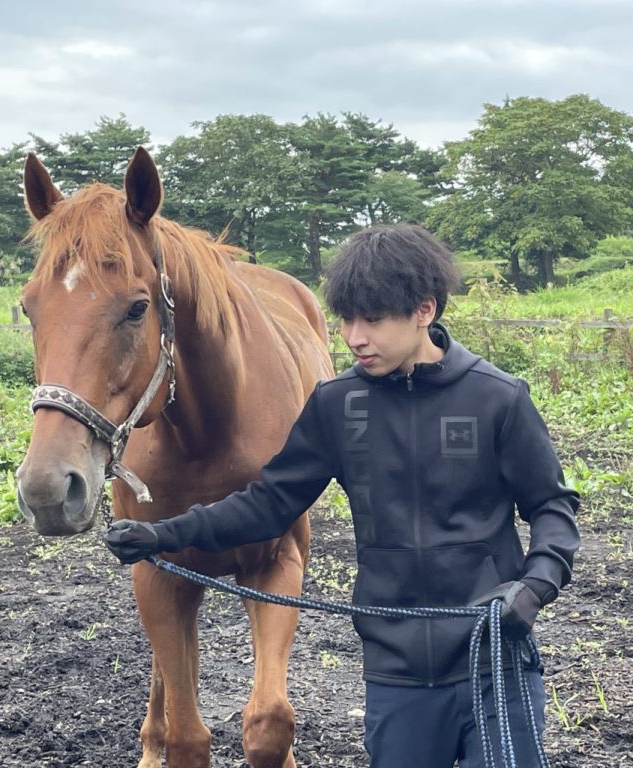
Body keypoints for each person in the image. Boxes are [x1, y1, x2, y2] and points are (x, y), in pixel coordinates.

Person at [103, 223, 581, 768]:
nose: (354, 337)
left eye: (372, 320)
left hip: (492, 657)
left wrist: (535, 586)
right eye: (347, 319)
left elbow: (552, 506)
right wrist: (164, 534)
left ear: (425, 311)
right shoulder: (337, 406)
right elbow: (269, 504)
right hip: (396, 670)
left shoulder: (498, 399)